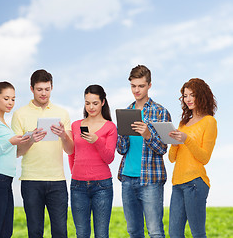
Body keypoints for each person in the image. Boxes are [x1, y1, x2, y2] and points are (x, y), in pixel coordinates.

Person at [11, 69, 74, 238]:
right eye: (39, 89)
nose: (44, 93)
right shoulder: (19, 114)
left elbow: (70, 150)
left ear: (52, 87)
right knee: (34, 231)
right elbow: (16, 152)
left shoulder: (62, 113)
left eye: (47, 89)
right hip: (31, 180)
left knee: (61, 232)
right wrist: (31, 139)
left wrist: (63, 135)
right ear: (31, 89)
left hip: (57, 181)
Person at [117, 65, 171, 238]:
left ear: (149, 85)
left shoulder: (161, 112)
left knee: (155, 232)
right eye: (133, 86)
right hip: (127, 179)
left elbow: (163, 149)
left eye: (141, 86)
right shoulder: (127, 112)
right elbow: (121, 149)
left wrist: (147, 135)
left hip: (151, 180)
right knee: (134, 231)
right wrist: (124, 134)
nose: (136, 90)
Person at [168, 78, 217, 238]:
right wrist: (175, 143)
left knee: (197, 233)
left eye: (192, 95)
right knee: (174, 233)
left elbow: (204, 158)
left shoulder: (209, 122)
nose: (187, 99)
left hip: (195, 183)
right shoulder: (183, 123)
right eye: (185, 96)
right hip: (177, 184)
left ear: (201, 96)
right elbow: (171, 158)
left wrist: (186, 139)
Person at [0, 81, 29, 238]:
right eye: (6, 98)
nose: (10, 103)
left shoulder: (4, 124)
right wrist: (10, 142)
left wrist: (28, 140)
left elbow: (11, 153)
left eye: (13, 99)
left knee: (5, 232)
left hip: (5, 181)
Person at [68, 84, 117, 238]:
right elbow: (71, 154)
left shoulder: (110, 127)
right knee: (81, 233)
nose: (91, 107)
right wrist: (76, 174)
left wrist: (97, 140)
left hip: (102, 186)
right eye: (87, 103)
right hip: (78, 186)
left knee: (101, 234)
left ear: (103, 102)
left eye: (95, 103)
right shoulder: (76, 125)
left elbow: (109, 158)